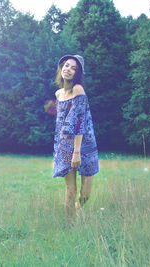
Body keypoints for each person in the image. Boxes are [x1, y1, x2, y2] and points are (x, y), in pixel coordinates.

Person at [52, 54, 99, 223]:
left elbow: (80, 122)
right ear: (61, 68)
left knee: (85, 194)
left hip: (84, 146)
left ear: (78, 73)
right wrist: (60, 150)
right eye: (66, 65)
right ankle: (69, 226)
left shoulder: (78, 90)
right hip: (65, 146)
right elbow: (60, 126)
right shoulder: (58, 94)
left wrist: (77, 152)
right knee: (70, 190)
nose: (68, 69)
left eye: (73, 68)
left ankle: (79, 209)